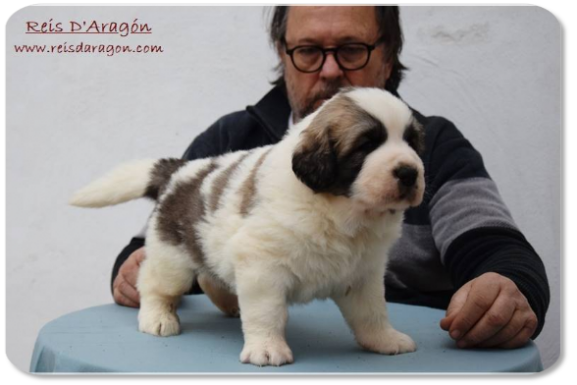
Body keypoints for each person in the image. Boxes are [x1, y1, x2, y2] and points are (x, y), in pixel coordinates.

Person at [111, 6, 549, 350]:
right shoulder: (231, 137)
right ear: (284, 54)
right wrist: (138, 268)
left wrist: (508, 285)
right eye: (308, 51)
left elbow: (494, 244)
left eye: (352, 48)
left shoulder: (433, 142)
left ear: (388, 52)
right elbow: (166, 234)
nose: (331, 70)